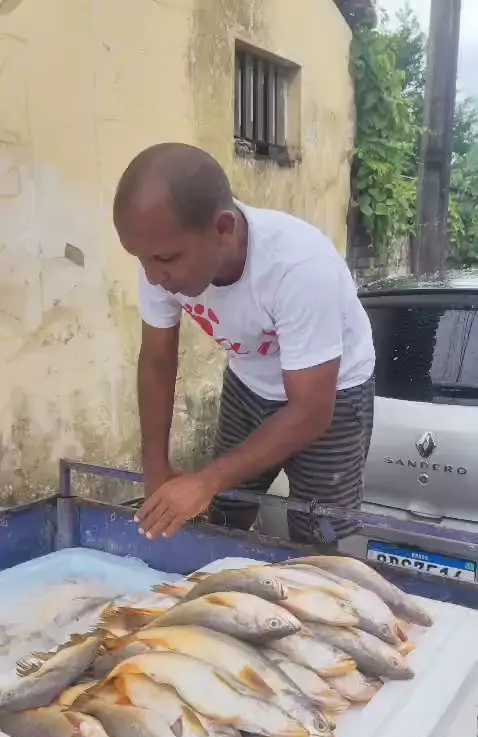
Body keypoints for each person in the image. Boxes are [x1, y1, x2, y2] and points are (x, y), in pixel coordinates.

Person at [113, 143, 375, 543]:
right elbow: (156, 362)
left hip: (332, 395)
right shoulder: (162, 256)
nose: (153, 277)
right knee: (223, 517)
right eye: (141, 259)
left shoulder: (301, 269)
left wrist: (205, 480)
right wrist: (156, 468)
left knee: (318, 537)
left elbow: (310, 411)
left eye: (164, 260)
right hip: (248, 384)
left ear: (223, 228)